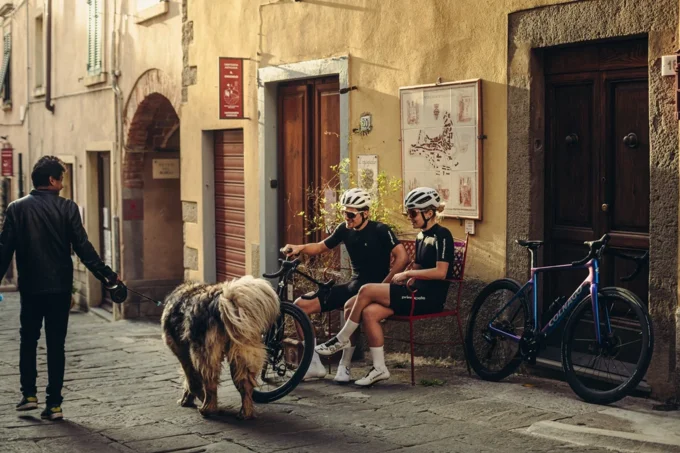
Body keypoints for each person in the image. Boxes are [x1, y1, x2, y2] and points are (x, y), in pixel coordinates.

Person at [0, 156, 120, 420]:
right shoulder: (68, 208)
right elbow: (84, 249)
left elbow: (3, 251)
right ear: (52, 180)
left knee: (28, 340)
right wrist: (108, 276)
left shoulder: (16, 209)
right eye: (61, 179)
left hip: (31, 288)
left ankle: (28, 395)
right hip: (60, 288)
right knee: (56, 345)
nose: (63, 184)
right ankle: (54, 404)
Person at [316, 187, 454, 387]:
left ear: (429, 213)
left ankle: (341, 339)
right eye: (408, 213)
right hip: (413, 292)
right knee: (361, 309)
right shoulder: (421, 236)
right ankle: (380, 368)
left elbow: (441, 272)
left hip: (428, 299)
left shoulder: (443, 235)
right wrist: (405, 279)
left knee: (365, 290)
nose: (410, 217)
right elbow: (418, 267)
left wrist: (407, 274)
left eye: (413, 213)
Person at [283, 188, 409, 383]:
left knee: (351, 305)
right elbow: (320, 247)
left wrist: (384, 285)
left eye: (351, 214)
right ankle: (313, 363)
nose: (347, 218)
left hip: (372, 289)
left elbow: (402, 257)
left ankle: (345, 365)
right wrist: (300, 248)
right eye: (344, 213)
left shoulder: (380, 230)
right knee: (300, 306)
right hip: (353, 285)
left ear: (365, 213)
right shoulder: (344, 229)